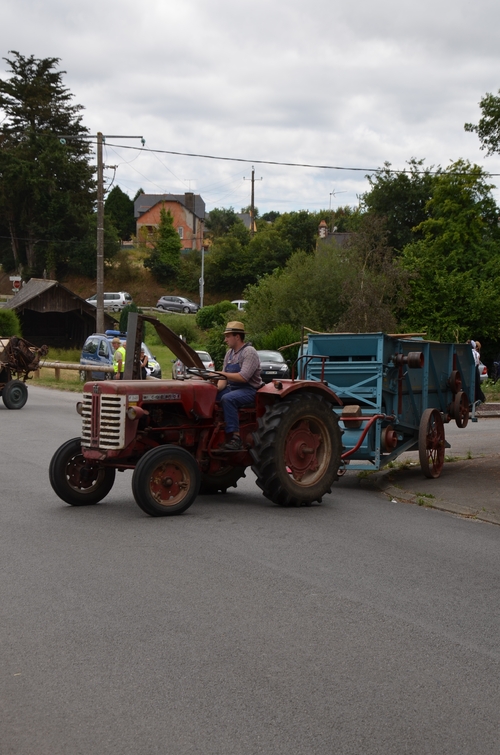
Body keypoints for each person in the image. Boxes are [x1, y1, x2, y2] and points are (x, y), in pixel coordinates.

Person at [216, 321, 262, 450]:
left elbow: (243, 377)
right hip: (232, 388)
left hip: (250, 389)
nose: (225, 340)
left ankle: (236, 437)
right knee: (211, 397)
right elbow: (223, 378)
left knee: (228, 399)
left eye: (228, 336)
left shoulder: (249, 352)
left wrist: (221, 374)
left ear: (237, 337)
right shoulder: (229, 354)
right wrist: (216, 389)